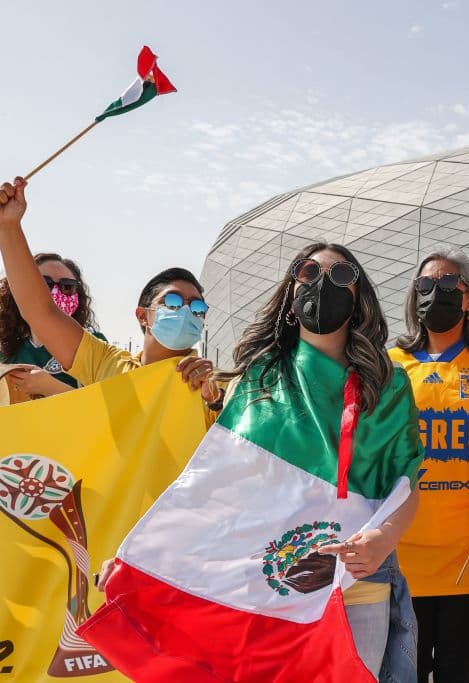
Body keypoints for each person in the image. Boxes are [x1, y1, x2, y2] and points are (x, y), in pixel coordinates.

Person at [99, 242, 423, 680]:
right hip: (265, 591)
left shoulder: (388, 384)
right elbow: (216, 492)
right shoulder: (258, 377)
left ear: (359, 298)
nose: (322, 284)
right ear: (291, 292)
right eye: (308, 273)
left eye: (341, 276)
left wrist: (382, 539)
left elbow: (406, 485)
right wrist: (141, 562)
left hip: (357, 584)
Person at [0, 177, 220, 415]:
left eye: (197, 307)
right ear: (142, 316)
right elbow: (40, 312)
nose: (186, 311)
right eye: (173, 302)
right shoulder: (108, 364)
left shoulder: (214, 387)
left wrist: (214, 402)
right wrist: (9, 226)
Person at [388, 247, 469, 683]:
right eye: (425, 284)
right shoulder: (391, 365)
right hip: (402, 560)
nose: (436, 292)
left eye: (449, 282)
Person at [0, 252, 106, 399]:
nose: (56, 293)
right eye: (44, 284)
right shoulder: (6, 350)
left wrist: (50, 387)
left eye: (67, 286)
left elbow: (103, 405)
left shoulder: (93, 345)